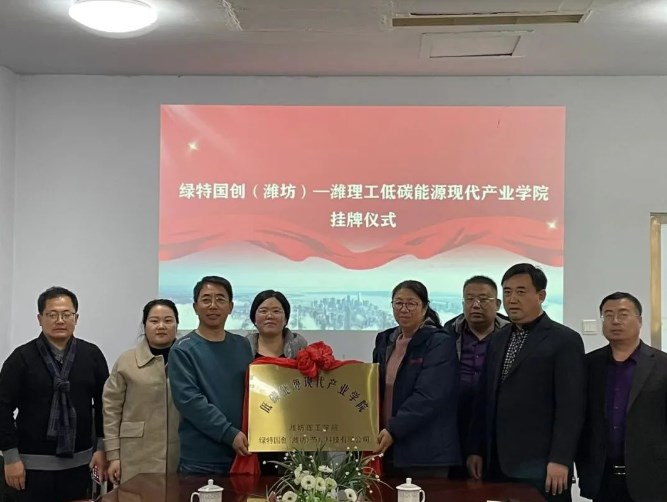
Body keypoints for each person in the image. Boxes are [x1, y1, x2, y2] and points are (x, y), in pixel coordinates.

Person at [467, 264, 585, 501]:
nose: (512, 299)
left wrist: (561, 459)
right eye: (507, 292)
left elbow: (571, 407)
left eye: (521, 292)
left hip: (541, 465)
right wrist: (475, 449)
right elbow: (484, 397)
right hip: (496, 461)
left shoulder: (565, 340)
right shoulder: (498, 338)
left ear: (541, 295)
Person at [0, 286, 108, 502]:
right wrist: (10, 457)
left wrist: (102, 448)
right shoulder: (21, 358)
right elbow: (2, 407)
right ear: (39, 319)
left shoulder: (92, 355)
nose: (60, 320)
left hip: (80, 464)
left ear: (76, 318)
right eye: (52, 314)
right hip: (28, 466)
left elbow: (105, 405)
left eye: (66, 314)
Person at [576, 292, 667, 502]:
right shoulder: (588, 365)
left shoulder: (663, 365)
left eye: (623, 314)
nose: (615, 321)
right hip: (602, 477)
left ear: (640, 320)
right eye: (608, 315)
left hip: (652, 477)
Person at [372, 280, 460, 478]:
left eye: (411, 303)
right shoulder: (385, 340)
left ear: (425, 307)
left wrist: (394, 429)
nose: (404, 309)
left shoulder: (439, 342)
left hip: (426, 452)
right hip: (388, 446)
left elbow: (429, 395)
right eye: (398, 303)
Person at [169, 276, 253, 475]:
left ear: (231, 307)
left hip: (243, 453)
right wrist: (228, 433)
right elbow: (190, 402)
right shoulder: (183, 350)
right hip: (202, 459)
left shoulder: (242, 345)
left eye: (220, 299)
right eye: (206, 299)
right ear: (195, 307)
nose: (213, 305)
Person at [103, 299, 181, 484]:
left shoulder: (188, 360)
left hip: (179, 453)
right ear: (144, 325)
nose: (161, 326)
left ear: (177, 325)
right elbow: (111, 409)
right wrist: (113, 456)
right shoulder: (127, 362)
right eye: (154, 321)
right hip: (135, 454)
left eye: (168, 320)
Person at [444, 275, 508, 478]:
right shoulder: (447, 334)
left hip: (497, 424)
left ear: (498, 304)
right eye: (469, 299)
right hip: (455, 422)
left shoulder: (511, 335)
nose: (475, 305)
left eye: (483, 299)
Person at [245, 290, 308, 475]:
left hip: (293, 432)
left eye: (276, 311)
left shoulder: (302, 351)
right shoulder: (241, 350)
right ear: (254, 318)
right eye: (263, 311)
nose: (269, 316)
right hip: (251, 433)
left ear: (286, 318)